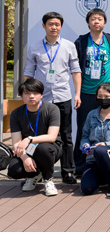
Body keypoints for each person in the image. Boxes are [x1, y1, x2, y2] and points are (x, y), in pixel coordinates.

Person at [23, 11, 81, 184]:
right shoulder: (35, 47)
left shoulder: (69, 46)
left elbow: (75, 71)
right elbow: (28, 72)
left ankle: (68, 172)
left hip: (63, 96)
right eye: (50, 24)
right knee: (40, 135)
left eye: (57, 24)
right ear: (44, 26)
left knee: (66, 135)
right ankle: (40, 172)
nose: (54, 27)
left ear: (61, 26)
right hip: (42, 100)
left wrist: (77, 94)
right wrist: (25, 94)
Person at [74, 8, 110, 175]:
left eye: (99, 19)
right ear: (88, 23)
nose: (96, 22)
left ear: (105, 22)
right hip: (87, 92)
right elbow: (76, 67)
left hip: (107, 92)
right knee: (84, 128)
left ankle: (109, 162)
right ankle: (81, 166)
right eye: (93, 19)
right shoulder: (81, 42)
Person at [7, 79, 62, 196]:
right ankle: (33, 176)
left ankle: (48, 179)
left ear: (41, 95)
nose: (31, 96)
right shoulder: (16, 113)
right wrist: (25, 158)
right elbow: (16, 143)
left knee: (43, 149)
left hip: (50, 148)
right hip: (28, 150)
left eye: (35, 93)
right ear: (21, 96)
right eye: (27, 93)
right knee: (14, 170)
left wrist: (29, 139)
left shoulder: (52, 109)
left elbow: (52, 137)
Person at [80, 82, 110, 196]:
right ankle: (102, 177)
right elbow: (85, 136)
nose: (103, 99)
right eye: (100, 96)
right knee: (86, 189)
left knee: (100, 150)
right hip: (93, 159)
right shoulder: (91, 115)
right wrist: (85, 146)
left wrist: (107, 144)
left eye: (107, 96)